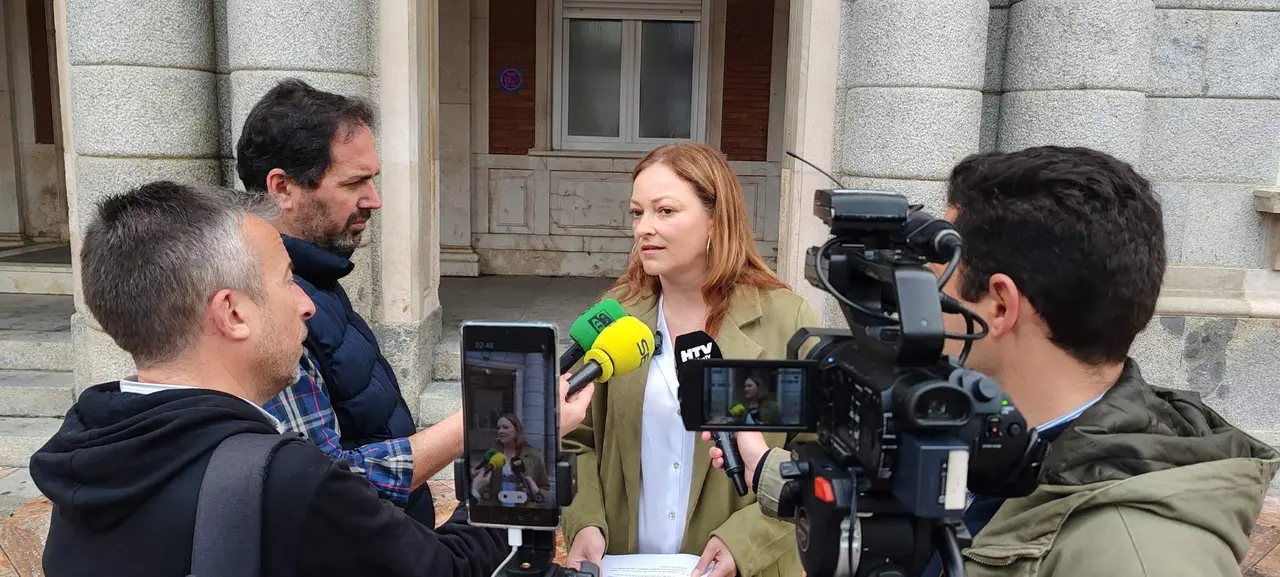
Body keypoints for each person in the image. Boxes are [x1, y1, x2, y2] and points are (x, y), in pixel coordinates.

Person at [707, 146, 1280, 577]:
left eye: (941, 267)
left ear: (1000, 305)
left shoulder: (1133, 554)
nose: (926, 287)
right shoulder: (989, 434)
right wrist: (768, 473)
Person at [26, 181, 589, 576]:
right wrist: (522, 450)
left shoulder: (80, 449)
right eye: (287, 279)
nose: (306, 306)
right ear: (234, 312)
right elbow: (452, 570)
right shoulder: (281, 480)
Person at [236, 78, 592, 524]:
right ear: (282, 188)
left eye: (375, 178)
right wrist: (485, 424)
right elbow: (326, 487)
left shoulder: (320, 277)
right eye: (355, 182)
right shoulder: (265, 310)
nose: (375, 199)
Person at [562, 142, 819, 577]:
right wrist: (584, 521)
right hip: (626, 561)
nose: (644, 228)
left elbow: (817, 458)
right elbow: (575, 438)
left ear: (716, 219)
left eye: (665, 211)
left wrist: (745, 540)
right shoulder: (615, 315)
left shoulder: (786, 319)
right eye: (636, 212)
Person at [470, 413, 550, 507]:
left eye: (505, 427)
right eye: (498, 428)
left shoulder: (534, 456)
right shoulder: (492, 454)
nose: (500, 431)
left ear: (517, 430)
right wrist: (475, 475)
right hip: (496, 512)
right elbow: (482, 485)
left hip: (524, 513)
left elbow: (544, 487)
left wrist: (535, 501)